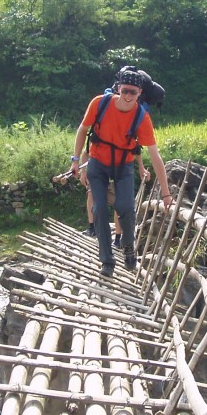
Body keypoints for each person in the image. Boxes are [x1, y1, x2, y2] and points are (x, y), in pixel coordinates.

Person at [70, 68, 173, 277]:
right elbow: (83, 129)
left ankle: (128, 248)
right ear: (118, 88)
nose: (127, 96)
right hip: (98, 162)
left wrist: (166, 193)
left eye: (133, 93)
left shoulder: (142, 117)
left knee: (126, 207)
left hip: (124, 165)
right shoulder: (99, 103)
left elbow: (155, 155)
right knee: (99, 209)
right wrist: (76, 159)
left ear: (139, 93)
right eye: (125, 91)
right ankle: (107, 261)